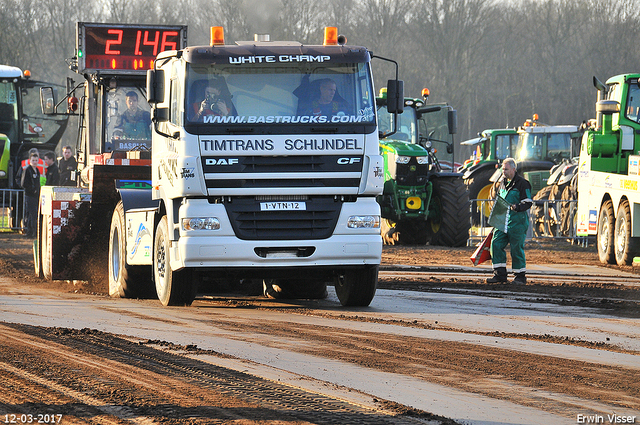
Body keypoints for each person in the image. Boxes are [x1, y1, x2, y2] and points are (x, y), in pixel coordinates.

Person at [487, 157, 533, 284]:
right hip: (502, 220)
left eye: (506, 169)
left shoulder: (523, 183)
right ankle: (499, 274)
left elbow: (528, 203)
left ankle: (520, 277)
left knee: (516, 248)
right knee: (495, 244)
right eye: (503, 170)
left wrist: (516, 207)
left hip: (517, 222)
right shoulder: (502, 182)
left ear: (514, 169)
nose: (504, 172)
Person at [20, 153, 41, 238]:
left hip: (35, 195)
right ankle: (34, 232)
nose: (35, 162)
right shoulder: (27, 170)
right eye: (33, 160)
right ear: (29, 161)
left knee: (30, 214)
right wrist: (32, 190)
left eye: (36, 160)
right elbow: (23, 183)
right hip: (29, 195)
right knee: (33, 214)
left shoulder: (37, 170)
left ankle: (29, 232)